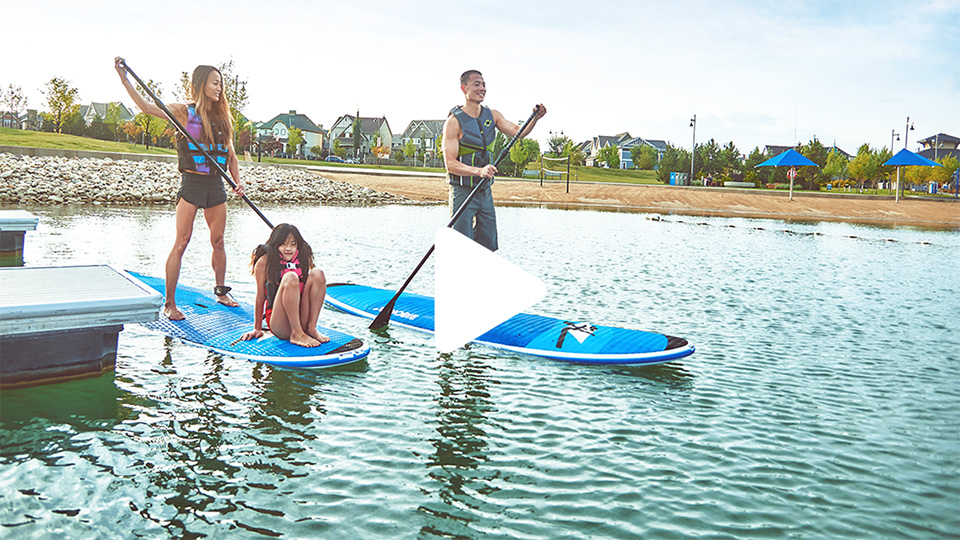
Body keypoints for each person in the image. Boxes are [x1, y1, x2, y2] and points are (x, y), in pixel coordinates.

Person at [114, 58, 245, 320]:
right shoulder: (184, 112)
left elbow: (230, 154)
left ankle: (221, 291)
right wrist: (123, 76)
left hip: (215, 185)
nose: (219, 88)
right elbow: (145, 106)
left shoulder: (223, 117)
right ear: (201, 85)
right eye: (215, 83)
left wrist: (237, 181)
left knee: (218, 241)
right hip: (193, 184)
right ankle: (170, 303)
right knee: (182, 242)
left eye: (221, 84)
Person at [442, 70, 546, 251]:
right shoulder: (453, 121)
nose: (482, 88)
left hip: (484, 192)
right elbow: (450, 164)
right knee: (461, 246)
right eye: (476, 84)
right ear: (463, 88)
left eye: (483, 84)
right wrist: (478, 171)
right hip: (462, 191)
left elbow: (518, 132)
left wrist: (535, 118)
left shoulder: (493, 115)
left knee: (488, 246)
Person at [240, 223, 329, 348]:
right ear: (275, 244)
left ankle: (311, 328)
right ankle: (296, 334)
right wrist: (257, 328)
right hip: (279, 323)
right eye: (283, 244)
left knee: (318, 274)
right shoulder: (264, 261)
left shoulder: (302, 258)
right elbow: (260, 296)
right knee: (291, 277)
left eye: (293, 244)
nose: (288, 248)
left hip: (300, 316)